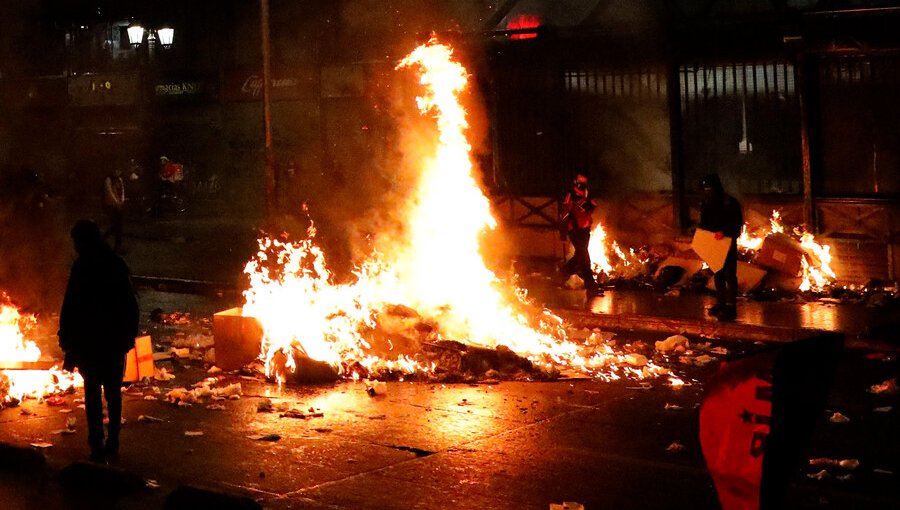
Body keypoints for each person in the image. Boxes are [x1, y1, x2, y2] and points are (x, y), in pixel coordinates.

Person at [58, 220, 139, 463]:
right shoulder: (115, 263)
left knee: (93, 393)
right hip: (112, 340)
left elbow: (71, 306)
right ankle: (112, 440)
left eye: (77, 241)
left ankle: (97, 443)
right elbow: (131, 304)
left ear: (84, 241)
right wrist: (128, 337)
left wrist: (67, 338)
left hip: (91, 341)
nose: (75, 246)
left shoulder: (83, 266)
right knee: (113, 393)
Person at [698, 173, 743, 321]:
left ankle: (730, 306)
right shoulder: (706, 203)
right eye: (705, 189)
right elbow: (704, 223)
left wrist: (725, 232)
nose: (708, 191)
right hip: (713, 244)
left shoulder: (729, 202)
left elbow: (737, 224)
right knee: (718, 274)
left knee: (730, 275)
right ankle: (721, 303)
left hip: (727, 243)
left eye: (710, 188)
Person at [559, 173, 602, 296]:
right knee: (584, 257)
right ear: (575, 182)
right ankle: (591, 286)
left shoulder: (587, 193)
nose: (582, 185)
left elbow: (591, 206)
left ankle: (564, 272)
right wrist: (563, 233)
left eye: (584, 182)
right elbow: (564, 215)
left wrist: (590, 205)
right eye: (580, 182)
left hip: (585, 230)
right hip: (575, 230)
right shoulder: (570, 195)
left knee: (580, 255)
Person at [102, 167, 126, 252]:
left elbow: (123, 191)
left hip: (119, 205)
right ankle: (102, 239)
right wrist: (116, 202)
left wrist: (122, 200)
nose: (118, 172)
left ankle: (117, 246)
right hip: (111, 205)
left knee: (119, 226)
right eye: (116, 170)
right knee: (115, 225)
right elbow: (109, 191)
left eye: (119, 171)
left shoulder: (120, 179)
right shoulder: (108, 179)